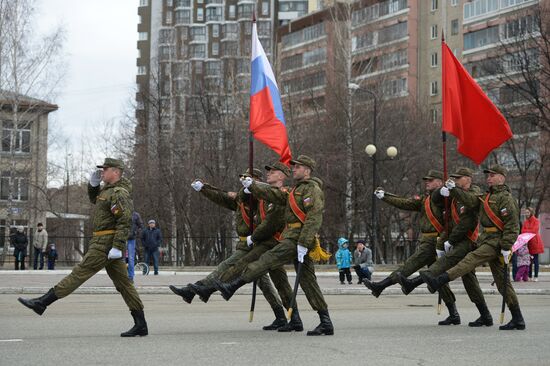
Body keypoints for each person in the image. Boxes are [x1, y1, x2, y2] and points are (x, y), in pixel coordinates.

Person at [18, 158, 148, 337]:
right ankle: (141, 324)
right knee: (124, 284)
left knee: (79, 273)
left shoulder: (119, 192)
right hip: (104, 242)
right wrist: (93, 184)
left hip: (106, 243)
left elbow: (125, 221)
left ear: (116, 171)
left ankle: (43, 302)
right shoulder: (108, 190)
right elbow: (96, 199)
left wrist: (117, 246)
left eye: (105, 169)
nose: (102, 172)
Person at [213, 155, 335, 336]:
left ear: (307, 171)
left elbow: (314, 218)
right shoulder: (295, 190)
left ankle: (233, 286)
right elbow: (274, 194)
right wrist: (252, 186)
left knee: (267, 260)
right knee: (308, 281)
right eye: (294, 167)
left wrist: (303, 243)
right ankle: (325, 322)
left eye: (298, 167)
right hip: (294, 237)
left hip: (297, 239)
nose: (294, 169)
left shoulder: (313, 190)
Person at [170, 165, 297, 331]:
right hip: (254, 243)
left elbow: (269, 218)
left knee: (230, 268)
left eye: (248, 179)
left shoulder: (263, 198)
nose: (243, 182)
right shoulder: (243, 199)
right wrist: (203, 189)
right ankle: (282, 316)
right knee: (266, 282)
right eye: (243, 179)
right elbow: (223, 197)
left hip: (261, 243)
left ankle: (199, 289)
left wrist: (255, 235)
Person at [420, 165, 525, 331]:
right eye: (488, 175)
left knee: (470, 259)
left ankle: (440, 279)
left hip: (496, 241)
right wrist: (454, 190)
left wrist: (506, 246)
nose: (489, 178)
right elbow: (470, 201)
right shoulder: (486, 196)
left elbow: (512, 225)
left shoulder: (506, 198)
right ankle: (518, 319)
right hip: (487, 239)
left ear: (502, 178)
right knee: (502, 283)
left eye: (492, 175)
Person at [398, 167, 493, 327]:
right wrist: (443, 243)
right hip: (457, 241)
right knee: (470, 281)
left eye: (459, 178)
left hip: (467, 242)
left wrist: (451, 241)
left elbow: (466, 221)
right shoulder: (455, 197)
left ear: (468, 179)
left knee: (442, 266)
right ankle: (485, 315)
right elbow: (448, 223)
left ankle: (412, 283)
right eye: (454, 178)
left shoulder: (474, 192)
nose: (455, 180)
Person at [364, 170, 447, 298]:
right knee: (436, 279)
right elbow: (405, 203)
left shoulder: (442, 196)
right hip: (427, 240)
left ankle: (380, 286)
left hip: (434, 241)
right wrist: (385, 196)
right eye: (426, 180)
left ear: (440, 182)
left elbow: (442, 197)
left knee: (409, 266)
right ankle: (453, 314)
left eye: (431, 180)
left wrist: (445, 189)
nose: (427, 182)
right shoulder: (426, 199)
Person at [522, 207, 544, 282]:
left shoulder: (536, 221)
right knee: (529, 261)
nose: (526, 214)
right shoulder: (525, 222)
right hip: (528, 243)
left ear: (531, 212)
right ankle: (530, 276)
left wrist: (527, 231)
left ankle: (536, 276)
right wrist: (528, 231)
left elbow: (534, 231)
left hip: (535, 243)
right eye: (526, 212)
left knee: (535, 260)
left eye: (528, 212)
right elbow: (522, 231)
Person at [127, 212, 144, 282]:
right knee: (120, 258)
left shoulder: (135, 215)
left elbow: (141, 226)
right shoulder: (120, 211)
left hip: (131, 239)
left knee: (131, 258)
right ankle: (122, 277)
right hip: (121, 238)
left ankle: (131, 277)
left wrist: (135, 232)